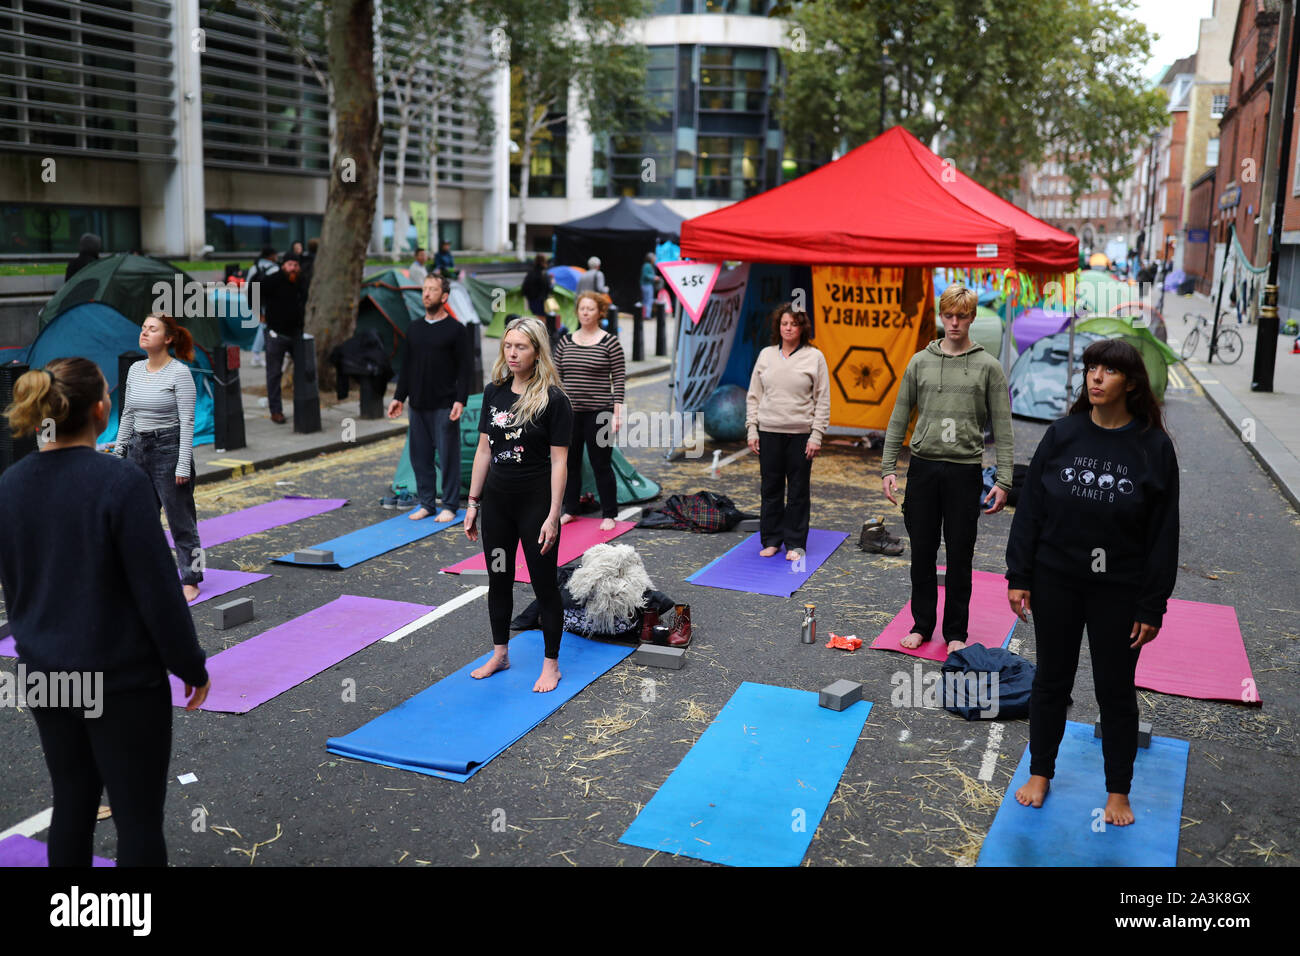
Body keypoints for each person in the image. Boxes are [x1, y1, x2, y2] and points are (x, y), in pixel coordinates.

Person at [0, 358, 210, 867]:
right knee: (137, 818)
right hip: (120, 679)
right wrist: (190, 663)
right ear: (100, 409)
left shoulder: (10, 485)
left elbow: (17, 586)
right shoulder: (120, 482)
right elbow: (158, 591)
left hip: (46, 675)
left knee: (71, 803)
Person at [1006, 339, 1179, 826]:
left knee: (1115, 689)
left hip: (1119, 588)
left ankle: (1118, 791)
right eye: (1091, 369)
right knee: (1050, 681)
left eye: (1108, 371)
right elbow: (1032, 512)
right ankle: (1041, 773)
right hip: (1057, 579)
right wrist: (1019, 575)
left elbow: (1164, 533)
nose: (1096, 378)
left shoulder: (1153, 447)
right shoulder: (1063, 434)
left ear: (1131, 382)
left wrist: (1152, 605)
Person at [880, 283, 1014, 654]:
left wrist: (1004, 479)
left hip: (964, 470)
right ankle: (922, 624)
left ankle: (956, 631)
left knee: (960, 554)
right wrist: (887, 467)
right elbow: (899, 417)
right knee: (922, 551)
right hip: (923, 469)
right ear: (942, 317)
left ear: (972, 318)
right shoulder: (920, 362)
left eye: (962, 316)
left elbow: (1003, 426)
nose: (955, 322)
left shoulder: (988, 366)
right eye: (949, 315)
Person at [464, 316, 573, 693]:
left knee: (544, 583)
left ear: (537, 351)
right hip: (498, 504)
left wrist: (553, 514)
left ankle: (551, 663)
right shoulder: (494, 392)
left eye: (521, 347)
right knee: (499, 579)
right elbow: (483, 451)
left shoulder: (554, 400)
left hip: (535, 504)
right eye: (508, 345)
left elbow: (560, 462)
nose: (512, 353)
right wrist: (473, 502)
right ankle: (500, 652)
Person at [114, 312, 204, 602]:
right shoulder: (135, 370)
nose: (144, 332)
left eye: (152, 329)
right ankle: (143, 576)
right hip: (137, 450)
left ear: (167, 339)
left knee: (181, 522)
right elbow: (128, 413)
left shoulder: (179, 373)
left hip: (169, 448)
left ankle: (191, 578)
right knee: (139, 519)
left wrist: (182, 463)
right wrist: (119, 451)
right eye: (143, 328)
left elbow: (188, 421)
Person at [745, 304, 830, 561]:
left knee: (797, 491)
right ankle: (771, 540)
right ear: (778, 327)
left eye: (793, 323)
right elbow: (753, 396)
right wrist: (752, 428)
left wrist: (816, 435)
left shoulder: (815, 357)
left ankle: (795, 543)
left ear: (802, 327)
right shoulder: (766, 355)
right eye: (784, 323)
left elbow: (822, 399)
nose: (788, 328)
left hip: (801, 435)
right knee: (770, 489)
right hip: (769, 432)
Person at [386, 274, 473, 522]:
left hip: (445, 405)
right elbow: (407, 366)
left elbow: (464, 369)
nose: (426, 294)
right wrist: (399, 397)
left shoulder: (456, 330)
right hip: (418, 405)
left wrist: (460, 400)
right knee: (420, 457)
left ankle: (449, 504)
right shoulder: (414, 329)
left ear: (444, 297)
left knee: (448, 457)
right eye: (424, 289)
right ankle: (426, 503)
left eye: (432, 290)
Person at [554, 291, 625, 531]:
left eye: (590, 309)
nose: (585, 312)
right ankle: (570, 509)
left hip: (600, 412)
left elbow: (619, 380)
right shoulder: (565, 341)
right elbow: (556, 378)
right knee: (568, 463)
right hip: (569, 413)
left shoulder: (610, 342)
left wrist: (617, 413)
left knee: (601, 464)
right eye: (582, 308)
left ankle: (609, 513)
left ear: (600, 313)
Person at [260, 253, 307, 424]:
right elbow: (253, 290)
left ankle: (303, 406)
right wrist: (258, 312)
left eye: (295, 265)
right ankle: (276, 410)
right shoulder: (272, 280)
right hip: (276, 334)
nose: (293, 268)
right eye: (290, 264)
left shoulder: (301, 281)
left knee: (304, 371)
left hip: (296, 333)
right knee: (274, 374)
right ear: (283, 266)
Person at [245, 247, 280, 368]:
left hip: (256, 300)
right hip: (270, 301)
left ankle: (257, 354)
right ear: (270, 256)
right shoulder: (274, 269)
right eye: (275, 255)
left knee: (263, 325)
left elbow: (248, 286)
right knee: (264, 326)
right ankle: (256, 354)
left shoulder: (254, 268)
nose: (277, 257)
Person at [522, 254, 553, 319]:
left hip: (532, 301)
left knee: (536, 318)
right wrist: (552, 282)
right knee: (542, 319)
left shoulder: (530, 273)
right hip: (542, 301)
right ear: (544, 262)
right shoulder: (544, 274)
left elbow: (524, 288)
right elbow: (549, 288)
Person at [640, 252, 657, 319]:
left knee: (646, 300)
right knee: (648, 300)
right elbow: (646, 275)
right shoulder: (647, 266)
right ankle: (647, 315)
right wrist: (653, 277)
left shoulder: (647, 265)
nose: (655, 259)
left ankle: (645, 314)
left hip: (646, 285)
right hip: (647, 285)